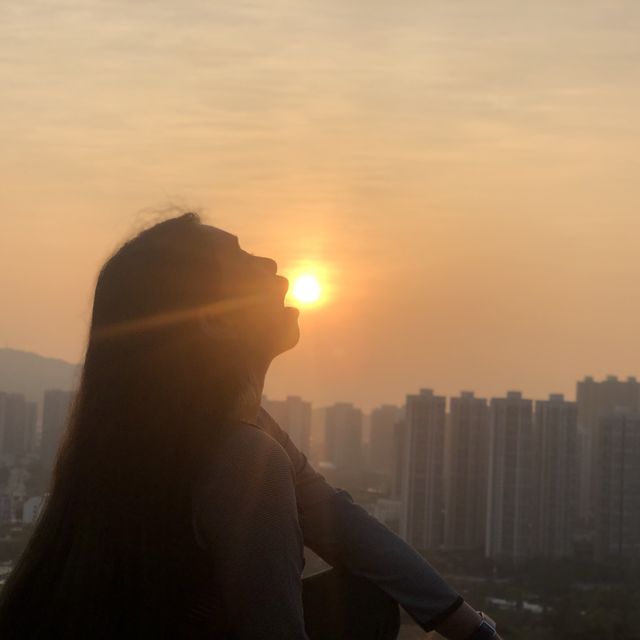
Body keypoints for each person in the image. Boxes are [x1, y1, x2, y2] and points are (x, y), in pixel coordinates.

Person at [0, 212, 501, 639]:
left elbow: (339, 520)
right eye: (245, 261)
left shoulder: (192, 430)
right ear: (213, 320)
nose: (274, 267)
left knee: (361, 600)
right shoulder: (241, 455)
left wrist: (468, 626)